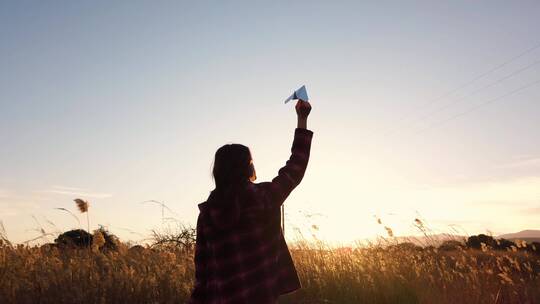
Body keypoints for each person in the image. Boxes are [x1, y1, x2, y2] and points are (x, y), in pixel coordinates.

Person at [189, 100, 313, 304]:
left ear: (217, 171)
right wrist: (302, 119)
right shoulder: (263, 197)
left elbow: (202, 274)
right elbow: (296, 166)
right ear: (248, 167)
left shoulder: (207, 213)